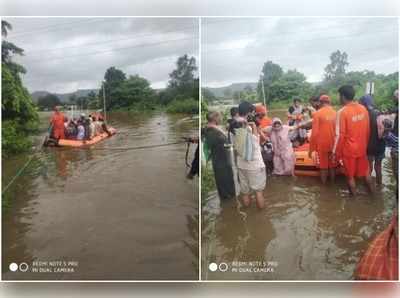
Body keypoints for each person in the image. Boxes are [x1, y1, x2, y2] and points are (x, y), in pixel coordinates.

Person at [332, 85, 374, 195]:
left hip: (349, 150)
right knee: (366, 172)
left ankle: (354, 202)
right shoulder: (363, 108)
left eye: (339, 96)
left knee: (350, 177)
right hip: (362, 147)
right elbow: (367, 129)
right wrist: (365, 144)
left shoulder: (342, 112)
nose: (338, 98)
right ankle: (373, 196)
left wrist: (334, 152)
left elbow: (339, 135)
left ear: (343, 96)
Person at [232, 101, 266, 209]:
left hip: (241, 164)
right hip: (254, 165)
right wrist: (255, 127)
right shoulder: (248, 126)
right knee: (258, 192)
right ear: (248, 112)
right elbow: (256, 143)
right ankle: (262, 219)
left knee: (245, 192)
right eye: (252, 112)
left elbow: (234, 146)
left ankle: (247, 217)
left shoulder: (232, 126)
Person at [202, 111, 236, 201]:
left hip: (222, 160)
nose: (221, 119)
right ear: (215, 118)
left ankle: (230, 205)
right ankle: (229, 204)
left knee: (227, 183)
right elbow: (218, 144)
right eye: (220, 117)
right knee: (225, 185)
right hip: (220, 162)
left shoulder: (212, 129)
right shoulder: (211, 131)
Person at [309, 95, 337, 184]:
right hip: (333, 144)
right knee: (332, 166)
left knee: (323, 167)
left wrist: (311, 150)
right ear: (329, 102)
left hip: (322, 145)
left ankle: (324, 188)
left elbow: (314, 134)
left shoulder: (317, 114)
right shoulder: (335, 113)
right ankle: (332, 185)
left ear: (321, 103)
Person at [359, 94, 386, 185]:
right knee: (378, 167)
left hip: (369, 146)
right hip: (380, 146)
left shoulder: (364, 115)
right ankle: (379, 187)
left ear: (363, 104)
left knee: (368, 168)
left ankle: (369, 189)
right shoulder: (380, 113)